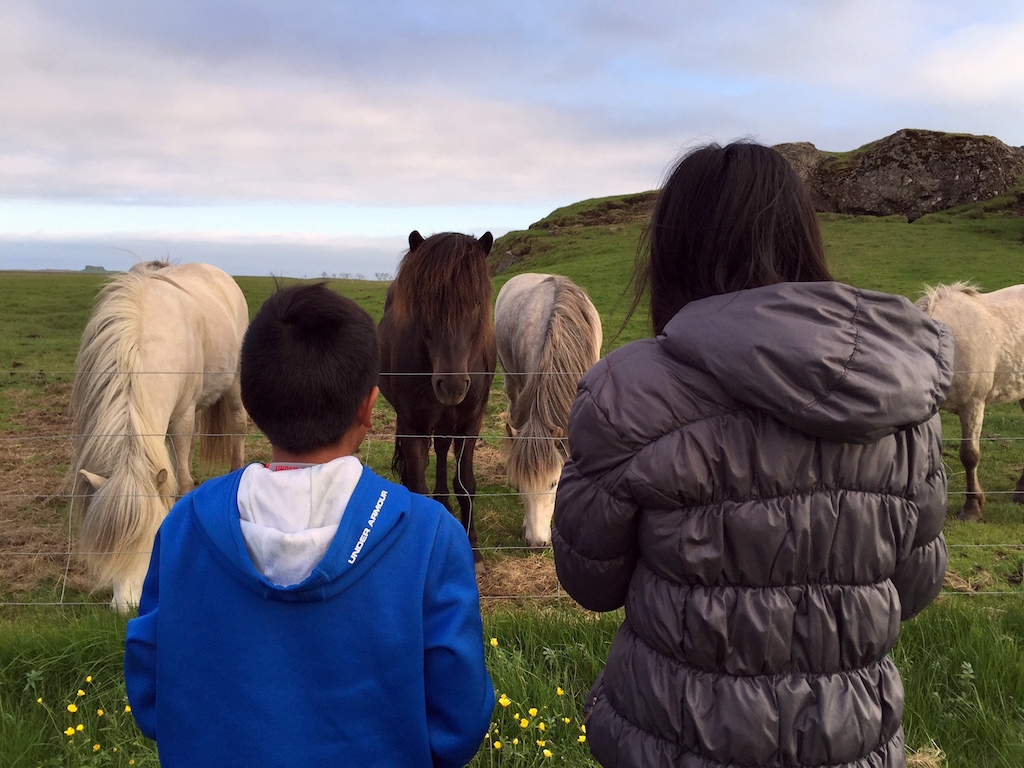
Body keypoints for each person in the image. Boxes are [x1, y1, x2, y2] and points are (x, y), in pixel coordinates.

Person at [552, 141, 954, 768]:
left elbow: (590, 579)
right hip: (848, 741)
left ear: (674, 251)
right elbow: (917, 584)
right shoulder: (901, 399)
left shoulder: (624, 394)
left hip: (673, 739)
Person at [124, 282, 494, 767]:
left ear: (252, 407)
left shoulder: (184, 527)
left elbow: (150, 693)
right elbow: (459, 721)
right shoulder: (429, 537)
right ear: (369, 407)